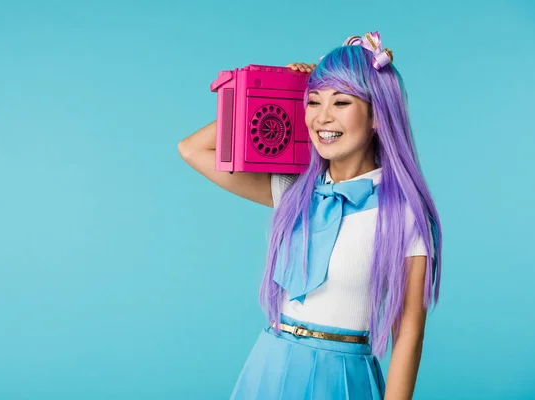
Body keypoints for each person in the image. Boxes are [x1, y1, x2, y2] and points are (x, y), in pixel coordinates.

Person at [178, 31, 442, 400]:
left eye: (341, 102)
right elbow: (193, 149)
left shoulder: (405, 215)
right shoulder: (295, 191)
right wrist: (283, 92)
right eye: (314, 102)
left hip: (343, 378)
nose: (322, 117)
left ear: (378, 115)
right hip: (269, 364)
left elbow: (409, 333)